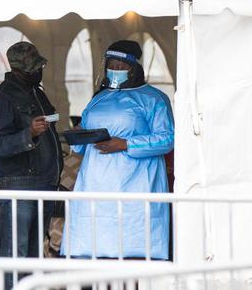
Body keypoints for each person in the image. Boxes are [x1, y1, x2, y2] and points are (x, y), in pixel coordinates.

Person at [62, 40, 174, 260]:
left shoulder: (154, 99)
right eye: (112, 65)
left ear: (134, 68)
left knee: (133, 251)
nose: (116, 70)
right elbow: (81, 146)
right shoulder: (98, 98)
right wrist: (79, 134)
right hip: (94, 184)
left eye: (122, 66)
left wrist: (125, 144)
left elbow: (167, 139)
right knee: (94, 248)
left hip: (136, 184)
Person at [0, 42, 63, 287]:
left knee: (33, 251)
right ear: (18, 70)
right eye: (34, 68)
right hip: (20, 183)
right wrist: (28, 133)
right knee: (15, 251)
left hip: (44, 181)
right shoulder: (2, 98)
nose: (39, 72)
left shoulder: (37, 92)